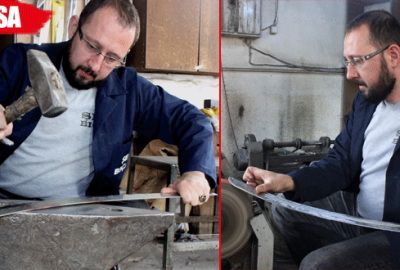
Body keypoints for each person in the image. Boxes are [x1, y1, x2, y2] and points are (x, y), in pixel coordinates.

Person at [0, 0, 216, 207]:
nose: (95, 64)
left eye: (112, 58)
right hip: (6, 201)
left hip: (82, 210)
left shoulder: (129, 89)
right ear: (74, 27)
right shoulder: (18, 62)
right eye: (92, 46)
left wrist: (196, 173)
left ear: (125, 55)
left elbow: (192, 119)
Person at [243, 10, 400, 269]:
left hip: (393, 232)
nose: (350, 73)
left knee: (318, 264)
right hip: (360, 215)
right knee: (285, 207)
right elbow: (341, 162)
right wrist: (289, 181)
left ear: (393, 56)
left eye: (359, 60)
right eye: (347, 61)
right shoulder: (366, 102)